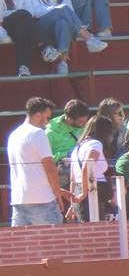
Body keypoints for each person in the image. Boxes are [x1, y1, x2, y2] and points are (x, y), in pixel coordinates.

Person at [27, 0, 108, 74]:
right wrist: (57, 9)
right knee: (63, 10)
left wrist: (59, 11)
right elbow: (36, 12)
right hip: (42, 26)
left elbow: (69, 12)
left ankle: (63, 62)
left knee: (63, 22)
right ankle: (88, 38)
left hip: (58, 25)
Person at [7, 97, 65, 226]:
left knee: (21, 245)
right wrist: (57, 194)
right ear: (38, 115)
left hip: (18, 200)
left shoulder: (13, 135)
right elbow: (49, 167)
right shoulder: (38, 133)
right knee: (55, 242)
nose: (48, 122)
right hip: (42, 200)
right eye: (47, 117)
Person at [1, 0, 52, 77]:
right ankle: (44, 45)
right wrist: (17, 13)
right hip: (5, 25)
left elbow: (31, 12)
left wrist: (18, 14)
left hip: (21, 26)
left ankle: (23, 68)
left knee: (21, 30)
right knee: (22, 15)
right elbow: (1, 15)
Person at [68, 114, 117, 222]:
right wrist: (85, 192)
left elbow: (72, 179)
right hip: (93, 193)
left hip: (79, 191)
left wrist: (72, 204)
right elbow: (88, 164)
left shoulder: (76, 149)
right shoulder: (96, 144)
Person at [46, 99, 90, 188]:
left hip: (83, 169)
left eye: (86, 121)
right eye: (81, 121)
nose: (85, 124)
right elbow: (46, 160)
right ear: (69, 119)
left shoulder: (84, 127)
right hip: (63, 173)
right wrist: (67, 155)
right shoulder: (50, 132)